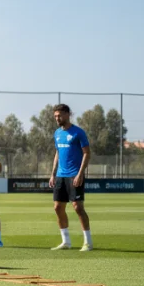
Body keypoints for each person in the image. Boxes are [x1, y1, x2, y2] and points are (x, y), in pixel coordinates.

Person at [49, 104, 93, 251]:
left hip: (74, 174)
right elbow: (57, 153)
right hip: (60, 175)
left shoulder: (78, 132)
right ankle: (66, 242)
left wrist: (80, 174)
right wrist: (53, 174)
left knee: (78, 207)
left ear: (68, 114)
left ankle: (88, 242)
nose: (57, 118)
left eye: (59, 115)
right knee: (57, 207)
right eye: (55, 116)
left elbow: (87, 153)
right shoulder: (57, 133)